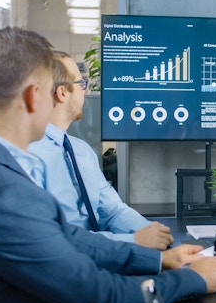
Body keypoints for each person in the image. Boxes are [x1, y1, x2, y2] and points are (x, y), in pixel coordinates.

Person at [0, 27, 216, 303]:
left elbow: (69, 237)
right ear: (35, 97)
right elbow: (104, 298)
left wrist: (159, 259)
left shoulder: (2, 166)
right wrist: (194, 279)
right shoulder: (8, 193)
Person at [28, 51, 173, 250]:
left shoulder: (81, 151)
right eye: (82, 84)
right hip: (71, 264)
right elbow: (56, 238)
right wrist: (134, 241)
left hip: (105, 254)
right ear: (62, 93)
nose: (85, 91)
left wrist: (153, 232)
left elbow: (111, 209)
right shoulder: (29, 157)